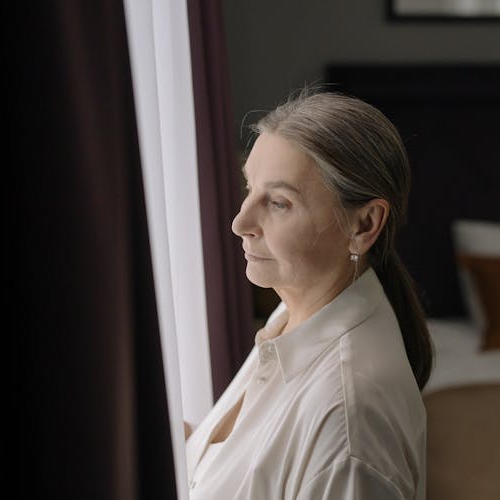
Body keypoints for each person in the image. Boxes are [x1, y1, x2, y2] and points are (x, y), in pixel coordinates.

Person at [185, 91, 433, 499]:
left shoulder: (349, 424)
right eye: (250, 188)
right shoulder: (295, 312)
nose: (240, 222)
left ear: (365, 224)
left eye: (279, 202)